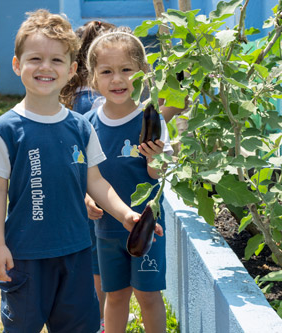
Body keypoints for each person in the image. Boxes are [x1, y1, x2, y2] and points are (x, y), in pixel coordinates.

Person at [0, 10, 161, 332]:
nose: (45, 67)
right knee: (23, 325)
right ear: (17, 65)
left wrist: (124, 215)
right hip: (25, 254)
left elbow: (96, 181)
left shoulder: (80, 126)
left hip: (77, 251)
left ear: (72, 70)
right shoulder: (6, 128)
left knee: (79, 325)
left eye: (56, 60)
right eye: (35, 58)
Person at [83, 27, 174, 333]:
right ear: (93, 77)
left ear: (142, 73)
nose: (117, 79)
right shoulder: (86, 125)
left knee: (148, 296)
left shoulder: (152, 120)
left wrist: (154, 158)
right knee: (115, 295)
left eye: (126, 70)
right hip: (106, 228)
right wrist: (85, 197)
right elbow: (81, 175)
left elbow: (158, 177)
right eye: (107, 71)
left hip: (147, 226)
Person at [60, 19, 116, 331]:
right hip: (96, 194)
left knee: (98, 261)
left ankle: (103, 316)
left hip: (96, 192)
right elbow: (75, 152)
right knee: (98, 264)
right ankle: (99, 320)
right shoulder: (89, 102)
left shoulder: (76, 95)